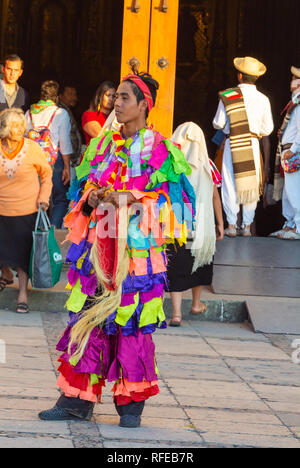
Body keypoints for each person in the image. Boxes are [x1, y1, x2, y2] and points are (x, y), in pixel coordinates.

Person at [38, 72, 195, 427]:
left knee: (132, 323)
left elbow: (174, 203)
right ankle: (76, 400)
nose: (116, 103)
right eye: (115, 98)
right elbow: (86, 182)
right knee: (88, 320)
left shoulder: (159, 147)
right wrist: (92, 195)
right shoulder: (105, 144)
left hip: (137, 255)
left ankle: (131, 404)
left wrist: (134, 197)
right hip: (98, 248)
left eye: (124, 98)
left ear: (144, 105)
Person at [167, 122, 224, 326]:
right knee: (199, 264)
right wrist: (220, 224)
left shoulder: (170, 165)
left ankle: (176, 314)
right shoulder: (209, 165)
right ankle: (196, 304)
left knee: (176, 267)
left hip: (177, 226)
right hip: (202, 227)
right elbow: (215, 197)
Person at [213, 56, 274, 237]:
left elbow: (218, 123)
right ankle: (247, 227)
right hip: (253, 143)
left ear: (239, 76)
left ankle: (231, 225)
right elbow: (268, 128)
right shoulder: (263, 99)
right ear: (256, 78)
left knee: (230, 183)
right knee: (250, 186)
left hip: (233, 142)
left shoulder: (229, 95)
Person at [0, 108, 52, 312]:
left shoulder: (32, 148)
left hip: (26, 210)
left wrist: (44, 198)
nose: (19, 129)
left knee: (23, 256)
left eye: (21, 125)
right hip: (1, 210)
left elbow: (47, 175)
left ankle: (22, 293)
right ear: (4, 127)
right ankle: (6, 273)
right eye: (14, 125)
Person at [25, 81, 73, 228]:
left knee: (37, 198)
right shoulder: (60, 113)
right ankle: (53, 231)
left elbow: (24, 138)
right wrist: (67, 167)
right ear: (57, 97)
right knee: (59, 198)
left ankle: (38, 233)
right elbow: (64, 142)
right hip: (54, 160)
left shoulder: (29, 112)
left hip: (33, 160)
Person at [272, 66, 300, 240]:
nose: (291, 81)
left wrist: (293, 149)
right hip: (288, 149)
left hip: (293, 150)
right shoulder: (294, 101)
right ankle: (289, 224)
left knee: (294, 189)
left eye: (294, 78)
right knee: (287, 191)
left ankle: (297, 226)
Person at [82, 81, 116, 146]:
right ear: (100, 95)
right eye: (108, 95)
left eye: (113, 96)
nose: (111, 99)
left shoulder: (116, 116)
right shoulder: (89, 115)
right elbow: (102, 138)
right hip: (94, 155)